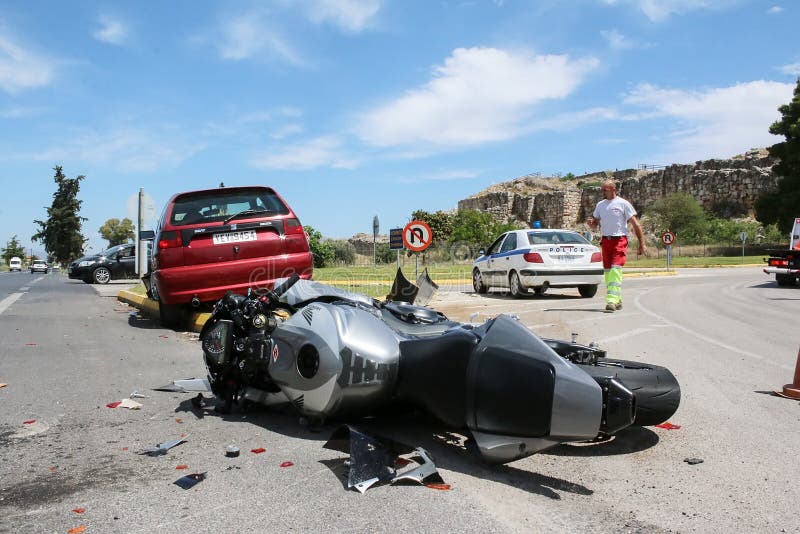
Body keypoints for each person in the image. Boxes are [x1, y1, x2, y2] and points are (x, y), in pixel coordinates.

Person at [587, 180, 647, 312]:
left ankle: (611, 301)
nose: (603, 192)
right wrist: (592, 223)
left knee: (615, 270)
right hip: (605, 241)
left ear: (613, 189)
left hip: (619, 240)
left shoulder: (623, 204)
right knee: (608, 273)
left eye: (605, 189)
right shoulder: (600, 205)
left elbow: (636, 224)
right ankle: (617, 299)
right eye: (602, 189)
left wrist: (641, 243)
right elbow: (595, 222)